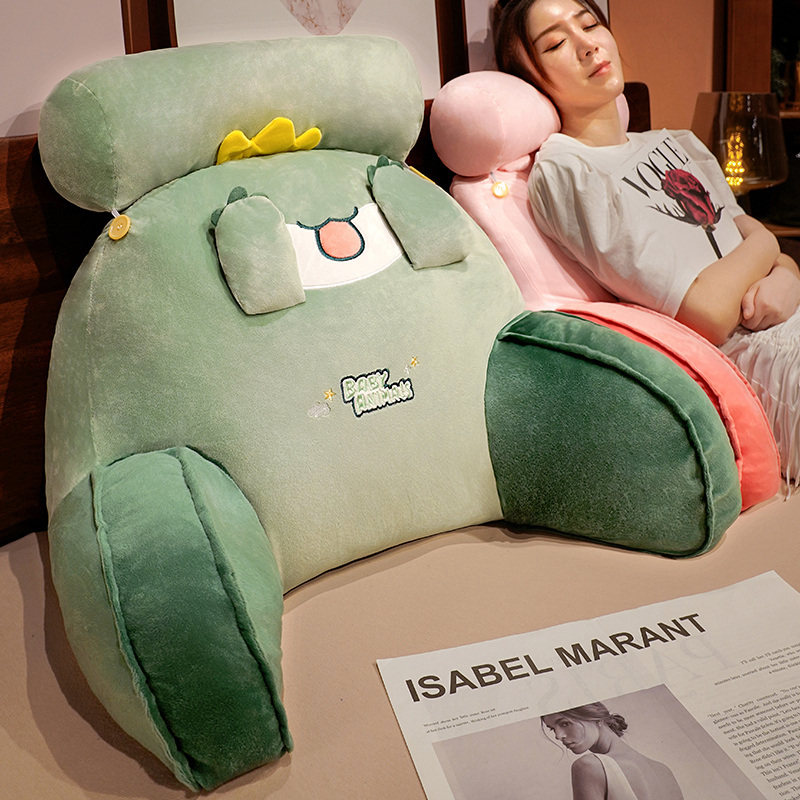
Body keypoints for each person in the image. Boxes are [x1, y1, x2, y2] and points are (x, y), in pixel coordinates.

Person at [492, 0, 800, 483]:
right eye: (555, 44)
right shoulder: (567, 170)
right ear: (531, 80)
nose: (587, 45)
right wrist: (766, 244)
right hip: (756, 364)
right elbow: (706, 314)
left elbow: (748, 242)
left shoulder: (677, 142)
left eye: (590, 24)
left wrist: (788, 276)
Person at [541, 703, 684, 800]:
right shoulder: (664, 771)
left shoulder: (589, 766)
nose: (558, 736)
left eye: (565, 723)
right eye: (553, 729)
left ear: (595, 717)